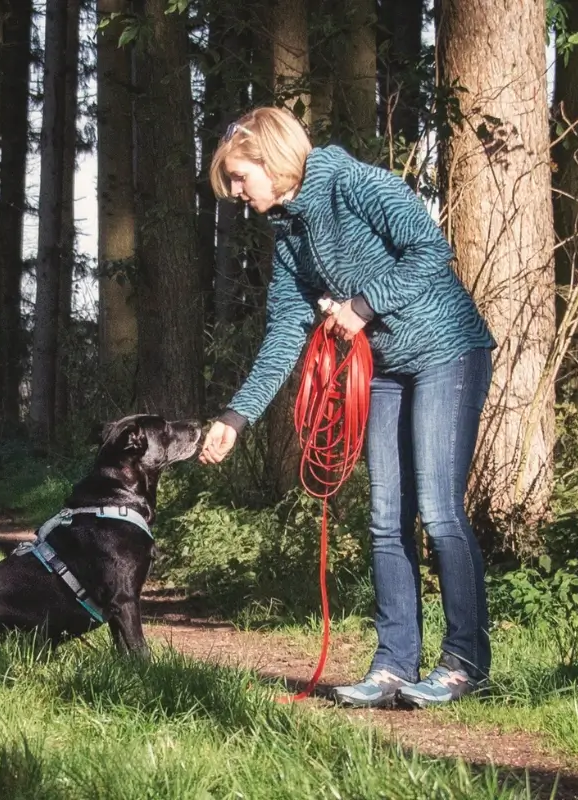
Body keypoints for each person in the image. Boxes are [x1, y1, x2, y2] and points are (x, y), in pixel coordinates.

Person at [197, 107, 496, 709]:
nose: (235, 193)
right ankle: (392, 664)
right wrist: (236, 416)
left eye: (238, 177)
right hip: (384, 369)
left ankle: (465, 662)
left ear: (270, 160)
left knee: (438, 509)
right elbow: (286, 329)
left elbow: (430, 249)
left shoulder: (353, 183)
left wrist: (362, 304)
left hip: (447, 352)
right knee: (387, 518)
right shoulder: (287, 231)